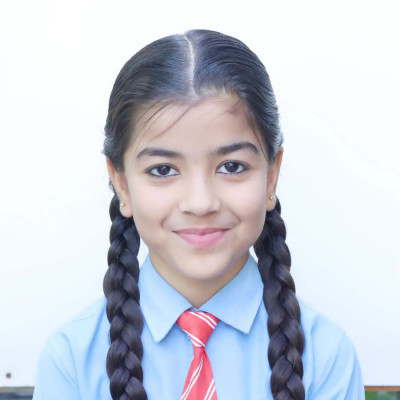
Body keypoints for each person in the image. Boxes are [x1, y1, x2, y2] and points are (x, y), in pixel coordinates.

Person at [32, 29, 364, 400]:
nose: (201, 202)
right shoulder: (72, 360)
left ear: (271, 176)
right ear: (121, 184)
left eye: (232, 166)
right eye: (162, 170)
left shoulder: (325, 356)